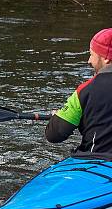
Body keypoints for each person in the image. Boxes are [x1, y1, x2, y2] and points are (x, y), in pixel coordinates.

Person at [46, 27, 112, 157]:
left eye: (92, 55)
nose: (89, 61)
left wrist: (57, 117)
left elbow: (54, 135)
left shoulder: (86, 90)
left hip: (96, 160)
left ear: (106, 58)